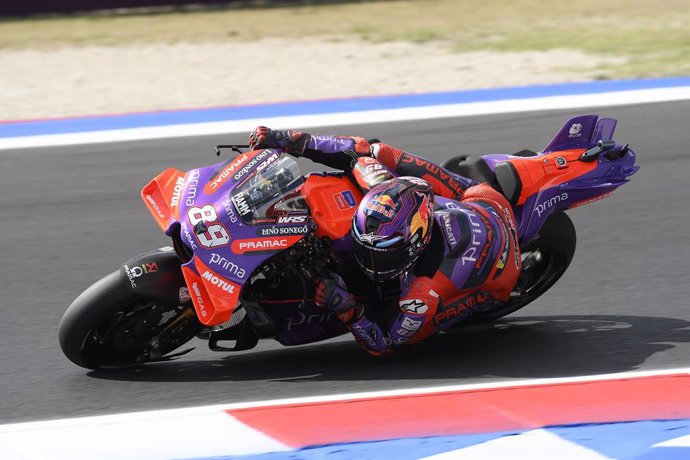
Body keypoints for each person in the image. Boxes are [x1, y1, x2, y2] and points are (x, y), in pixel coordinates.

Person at [248, 126, 522, 355]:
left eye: (382, 253)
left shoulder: (422, 291)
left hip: (501, 263)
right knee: (377, 151)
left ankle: (489, 296)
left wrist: (348, 309)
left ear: (413, 246)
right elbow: (356, 149)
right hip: (475, 198)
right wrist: (286, 140)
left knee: (418, 334)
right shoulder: (382, 188)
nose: (368, 259)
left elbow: (385, 342)